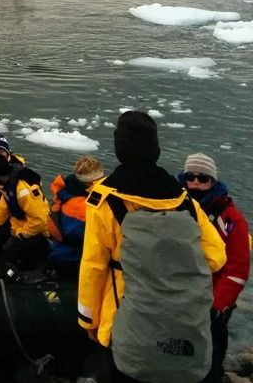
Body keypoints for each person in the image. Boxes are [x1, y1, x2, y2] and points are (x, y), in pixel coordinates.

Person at [78, 111, 226, 383]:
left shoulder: (104, 201)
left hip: (123, 320)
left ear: (119, 148)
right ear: (155, 149)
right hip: (178, 319)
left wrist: (88, 321)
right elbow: (216, 256)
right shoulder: (183, 200)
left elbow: (93, 266)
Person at [177, 153, 249, 383]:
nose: (196, 183)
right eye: (190, 177)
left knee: (211, 348)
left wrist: (218, 306)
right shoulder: (175, 208)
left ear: (213, 182)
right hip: (178, 296)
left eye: (203, 178)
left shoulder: (231, 219)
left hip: (213, 299)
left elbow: (238, 269)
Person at [0, 141, 49, 279]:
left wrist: (20, 234)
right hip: (20, 224)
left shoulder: (24, 191)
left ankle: (9, 276)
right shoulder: (8, 182)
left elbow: (40, 221)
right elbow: (4, 205)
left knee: (9, 251)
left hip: (34, 230)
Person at [47, 156, 105, 275]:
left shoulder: (65, 193)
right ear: (89, 183)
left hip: (60, 251)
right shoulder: (81, 206)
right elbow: (86, 238)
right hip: (72, 258)